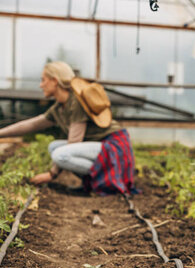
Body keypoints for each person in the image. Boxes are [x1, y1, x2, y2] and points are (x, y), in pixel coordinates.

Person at [0, 61, 137, 195]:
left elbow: (74, 142)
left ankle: (104, 179)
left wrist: (51, 174)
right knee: (54, 147)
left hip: (113, 147)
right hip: (101, 147)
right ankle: (93, 182)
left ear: (54, 81)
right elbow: (32, 124)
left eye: (43, 80)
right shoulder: (59, 107)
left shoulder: (76, 102)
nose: (41, 85)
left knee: (61, 155)